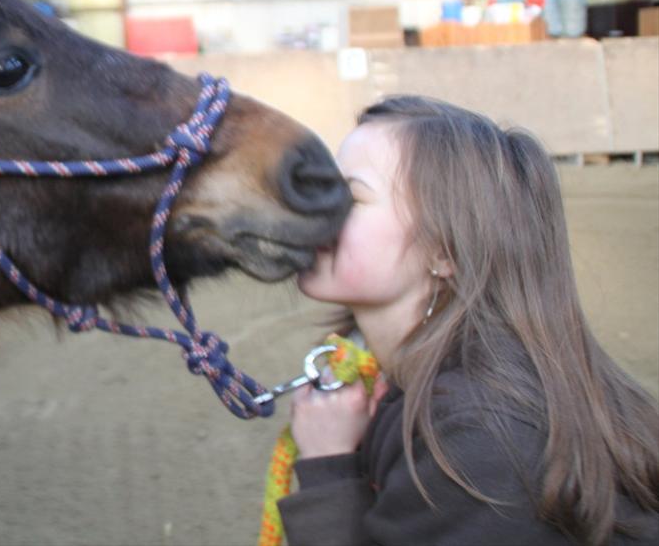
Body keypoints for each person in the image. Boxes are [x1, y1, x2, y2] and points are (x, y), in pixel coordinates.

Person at [277, 96, 659, 546]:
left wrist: (330, 467)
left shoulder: (478, 441)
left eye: (352, 196)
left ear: (444, 252)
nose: (308, 207)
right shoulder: (414, 385)